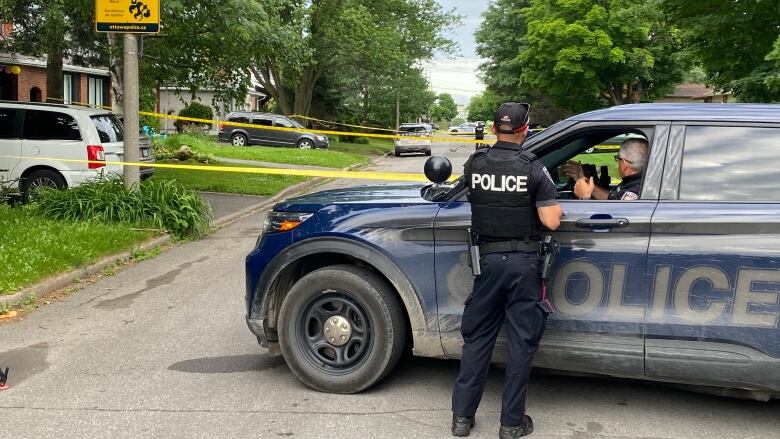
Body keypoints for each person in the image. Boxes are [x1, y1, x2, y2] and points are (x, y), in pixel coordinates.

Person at [452, 103, 563, 438]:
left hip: (486, 263)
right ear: (525, 129)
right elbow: (551, 221)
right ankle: (511, 425)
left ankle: (461, 419)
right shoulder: (532, 167)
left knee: (477, 339)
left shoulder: (476, 163)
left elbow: (460, 195)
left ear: (492, 128)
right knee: (520, 343)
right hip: (523, 267)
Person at [563, 138, 649, 200]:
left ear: (624, 164)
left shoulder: (632, 194)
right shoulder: (639, 182)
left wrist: (584, 197)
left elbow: (615, 219)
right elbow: (613, 199)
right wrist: (584, 180)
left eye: (617, 158)